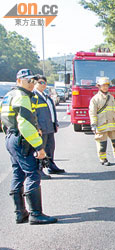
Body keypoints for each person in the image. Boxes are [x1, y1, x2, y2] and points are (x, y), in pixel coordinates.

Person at [1, 69, 57, 224]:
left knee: (18, 173)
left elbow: (3, 121)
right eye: (28, 81)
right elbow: (25, 125)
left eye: (33, 81)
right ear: (19, 81)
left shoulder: (8, 96)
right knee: (33, 173)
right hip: (22, 139)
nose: (32, 84)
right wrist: (39, 147)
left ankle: (20, 213)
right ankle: (36, 214)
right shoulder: (22, 97)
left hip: (11, 138)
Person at [32, 75, 65, 178]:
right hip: (41, 128)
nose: (43, 85)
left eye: (45, 83)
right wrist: (38, 127)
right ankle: (39, 170)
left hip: (49, 127)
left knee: (50, 148)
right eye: (41, 82)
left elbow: (51, 111)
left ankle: (51, 166)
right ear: (35, 83)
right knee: (41, 149)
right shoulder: (34, 96)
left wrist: (55, 123)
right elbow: (33, 114)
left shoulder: (45, 96)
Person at [88, 77, 115, 166]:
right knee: (102, 144)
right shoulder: (95, 99)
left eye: (107, 85)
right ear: (99, 86)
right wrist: (93, 124)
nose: (105, 87)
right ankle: (103, 159)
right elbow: (92, 113)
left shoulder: (111, 97)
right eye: (103, 85)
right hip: (102, 125)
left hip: (112, 124)